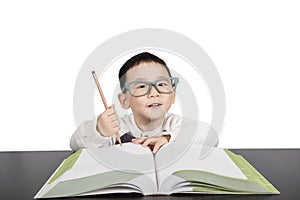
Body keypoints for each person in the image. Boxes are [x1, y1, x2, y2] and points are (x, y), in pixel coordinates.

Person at [70, 52, 218, 152]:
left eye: (161, 84)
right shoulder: (117, 128)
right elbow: (75, 144)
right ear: (124, 100)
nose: (154, 93)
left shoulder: (174, 125)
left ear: (173, 95)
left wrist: (167, 138)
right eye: (141, 86)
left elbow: (211, 137)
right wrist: (99, 130)